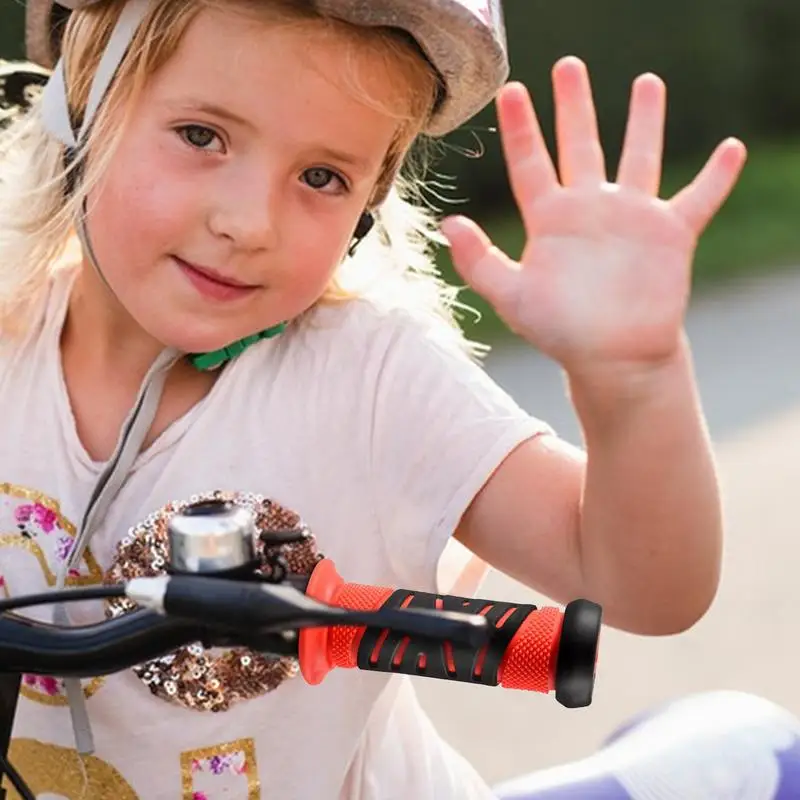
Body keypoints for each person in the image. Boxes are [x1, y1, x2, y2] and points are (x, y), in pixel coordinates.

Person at [0, 0, 748, 797]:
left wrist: (632, 383)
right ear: (84, 100)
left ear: (368, 207)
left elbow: (644, 586)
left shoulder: (369, 381)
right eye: (202, 136)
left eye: (322, 177)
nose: (251, 223)